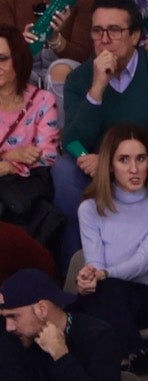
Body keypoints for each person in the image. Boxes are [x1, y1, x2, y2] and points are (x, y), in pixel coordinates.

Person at [51, 0, 148, 260]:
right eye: (97, 31)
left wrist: (118, 162)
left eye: (114, 30)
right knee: (63, 170)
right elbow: (71, 141)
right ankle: (77, 268)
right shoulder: (80, 78)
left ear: (135, 36)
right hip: (98, 171)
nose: (104, 40)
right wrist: (96, 90)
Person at [72, 124, 148, 363]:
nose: (134, 169)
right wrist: (90, 276)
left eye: (141, 159)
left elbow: (143, 261)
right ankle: (134, 355)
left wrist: (102, 275)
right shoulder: (89, 208)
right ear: (109, 164)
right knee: (91, 295)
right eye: (123, 160)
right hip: (106, 293)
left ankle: (129, 356)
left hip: (144, 296)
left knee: (98, 296)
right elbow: (95, 261)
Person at [0, 25, 59, 243]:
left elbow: (47, 156)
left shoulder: (42, 100)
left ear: (18, 59)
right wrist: (11, 156)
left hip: (23, 193)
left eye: (2, 59)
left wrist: (8, 165)